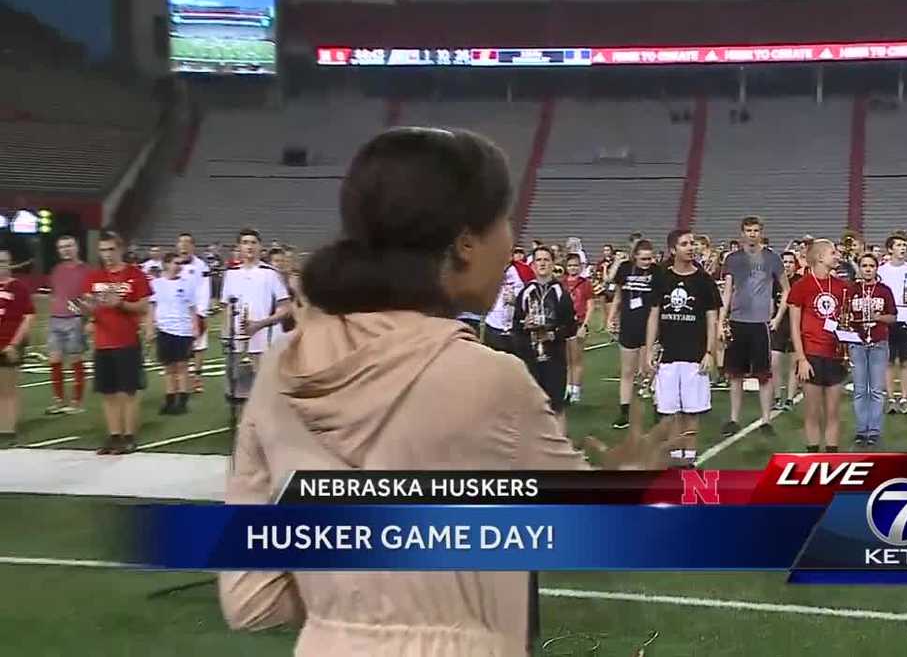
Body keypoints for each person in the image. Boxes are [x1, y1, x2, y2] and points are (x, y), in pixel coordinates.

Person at [219, 127, 672, 656]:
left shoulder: (280, 369)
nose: (510, 243)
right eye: (504, 220)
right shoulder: (490, 381)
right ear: (464, 242)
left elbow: (252, 597)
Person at [645, 229, 719, 467]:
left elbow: (712, 318)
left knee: (692, 411)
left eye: (692, 243)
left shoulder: (704, 280)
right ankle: (676, 455)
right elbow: (654, 315)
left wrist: (710, 351)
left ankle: (690, 457)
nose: (691, 247)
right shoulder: (662, 278)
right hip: (668, 355)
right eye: (685, 243)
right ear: (673, 249)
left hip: (694, 355)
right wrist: (648, 350)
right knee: (671, 411)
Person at [718, 216, 788, 438]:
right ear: (742, 233)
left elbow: (787, 289)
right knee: (736, 374)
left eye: (756, 230)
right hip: (738, 321)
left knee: (763, 374)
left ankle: (766, 420)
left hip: (760, 323)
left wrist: (777, 317)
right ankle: (734, 418)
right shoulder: (732, 259)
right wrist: (721, 320)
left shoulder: (772, 258)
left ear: (761, 232)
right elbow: (727, 292)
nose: (752, 234)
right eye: (748, 230)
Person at [85, 232, 152, 455]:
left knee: (128, 392)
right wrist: (86, 314)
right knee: (108, 392)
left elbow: (143, 306)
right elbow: (85, 306)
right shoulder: (95, 277)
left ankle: (129, 436)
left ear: (120, 249)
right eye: (103, 250)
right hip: (102, 343)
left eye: (111, 250)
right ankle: (114, 436)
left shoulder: (135, 275)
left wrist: (121, 305)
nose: (107, 255)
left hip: (127, 341)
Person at [788, 239, 849, 452]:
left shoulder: (842, 287)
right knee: (812, 413)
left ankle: (831, 459)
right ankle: (813, 457)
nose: (838, 256)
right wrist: (801, 359)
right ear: (820, 257)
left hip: (836, 356)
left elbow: (846, 320)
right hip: (811, 355)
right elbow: (794, 326)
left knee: (833, 413)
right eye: (833, 252)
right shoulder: (801, 286)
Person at [513, 247, 577, 418]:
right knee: (532, 408)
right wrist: (524, 325)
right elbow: (516, 327)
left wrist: (552, 335)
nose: (542, 263)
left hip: (555, 357)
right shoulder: (525, 293)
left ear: (553, 264)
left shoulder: (560, 293)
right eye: (538, 260)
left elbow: (571, 326)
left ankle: (559, 443)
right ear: (532, 265)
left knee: (556, 406)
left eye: (546, 260)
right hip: (531, 357)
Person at [607, 239, 663, 429]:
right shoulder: (625, 268)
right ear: (635, 257)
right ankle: (624, 411)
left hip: (650, 325)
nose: (648, 262)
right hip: (629, 325)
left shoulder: (657, 272)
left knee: (651, 370)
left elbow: (657, 305)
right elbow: (618, 294)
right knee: (627, 371)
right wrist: (611, 317)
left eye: (650, 258)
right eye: (644, 259)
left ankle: (658, 409)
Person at [220, 229, 292, 372]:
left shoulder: (270, 273)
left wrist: (259, 324)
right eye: (245, 243)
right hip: (238, 339)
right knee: (236, 387)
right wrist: (226, 335)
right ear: (239, 247)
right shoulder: (231, 274)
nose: (249, 246)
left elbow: (285, 307)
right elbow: (227, 308)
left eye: (253, 242)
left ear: (260, 247)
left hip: (266, 338)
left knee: (264, 385)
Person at [847, 253, 897, 446]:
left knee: (876, 389)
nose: (868, 269)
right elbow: (844, 314)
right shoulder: (852, 290)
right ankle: (861, 429)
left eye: (871, 266)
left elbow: (893, 317)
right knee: (860, 389)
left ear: (877, 268)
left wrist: (879, 318)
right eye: (864, 265)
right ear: (859, 268)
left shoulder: (884, 291)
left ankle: (874, 430)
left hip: (878, 343)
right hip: (857, 343)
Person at [45, 235, 90, 415]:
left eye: (69, 246)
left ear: (76, 247)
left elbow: (89, 297)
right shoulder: (56, 270)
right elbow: (55, 293)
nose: (65, 249)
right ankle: (58, 401)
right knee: (54, 360)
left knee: (75, 360)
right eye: (62, 247)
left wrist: (83, 316)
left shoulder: (86, 270)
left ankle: (76, 402)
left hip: (75, 319)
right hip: (56, 319)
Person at [149, 254, 199, 415]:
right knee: (169, 367)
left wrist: (195, 327)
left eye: (180, 263)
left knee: (182, 366)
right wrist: (150, 328)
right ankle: (170, 399)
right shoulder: (155, 284)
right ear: (165, 264)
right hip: (164, 329)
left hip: (183, 330)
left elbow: (192, 308)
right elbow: (151, 308)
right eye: (175, 263)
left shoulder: (187, 284)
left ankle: (182, 401)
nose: (179, 266)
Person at [877, 235, 907, 414]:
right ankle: (890, 398)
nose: (903, 248)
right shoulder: (882, 270)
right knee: (888, 360)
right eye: (898, 245)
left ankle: (904, 398)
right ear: (890, 249)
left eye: (904, 245)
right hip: (888, 319)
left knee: (905, 360)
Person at [0, 250, 34, 444]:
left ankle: (7, 430)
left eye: (3, 261)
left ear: (10, 263)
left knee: (8, 389)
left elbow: (28, 316)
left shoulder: (18, 287)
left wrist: (14, 344)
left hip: (10, 343)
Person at [176, 232, 211, 394]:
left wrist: (201, 312)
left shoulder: (201, 266)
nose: (183, 245)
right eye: (180, 242)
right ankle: (179, 378)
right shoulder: (172, 265)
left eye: (187, 242)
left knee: (199, 345)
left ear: (192, 246)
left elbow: (204, 289)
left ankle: (197, 377)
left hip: (196, 311)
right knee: (179, 345)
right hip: (177, 312)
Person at [482, 248, 535, 355]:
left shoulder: (523, 270)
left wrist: (516, 301)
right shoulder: (487, 270)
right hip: (493, 325)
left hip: (515, 326)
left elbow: (532, 298)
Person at [770, 250, 802, 411]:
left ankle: (789, 398)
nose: (787, 265)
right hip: (778, 325)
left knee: (793, 363)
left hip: (795, 325)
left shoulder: (800, 282)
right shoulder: (775, 281)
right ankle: (776, 397)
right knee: (774, 362)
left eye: (790, 262)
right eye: (785, 262)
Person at [561, 253, 593, 404]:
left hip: (579, 323)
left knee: (576, 359)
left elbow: (590, 305)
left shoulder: (585, 283)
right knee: (565, 360)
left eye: (576, 265)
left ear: (581, 267)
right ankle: (567, 388)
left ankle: (576, 390)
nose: (573, 268)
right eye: (570, 265)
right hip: (564, 324)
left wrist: (585, 325)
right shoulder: (562, 283)